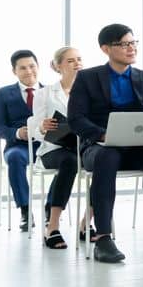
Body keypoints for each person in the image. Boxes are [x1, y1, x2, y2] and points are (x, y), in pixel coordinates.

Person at [67, 24, 143, 263]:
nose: (131, 48)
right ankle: (104, 238)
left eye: (133, 43)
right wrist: (103, 135)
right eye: (124, 44)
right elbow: (76, 119)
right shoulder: (88, 78)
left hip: (140, 146)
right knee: (107, 157)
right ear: (106, 48)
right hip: (101, 145)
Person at [26, 47, 82, 249]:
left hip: (80, 146)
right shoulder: (45, 93)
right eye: (70, 61)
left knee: (101, 159)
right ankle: (53, 226)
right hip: (52, 149)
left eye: (79, 59)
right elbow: (35, 126)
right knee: (70, 161)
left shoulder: (88, 92)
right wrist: (42, 126)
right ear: (58, 66)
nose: (77, 64)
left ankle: (87, 223)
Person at [0, 50, 42, 232]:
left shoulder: (50, 91)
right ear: (14, 71)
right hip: (18, 147)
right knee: (14, 158)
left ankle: (52, 206)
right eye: (23, 68)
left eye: (32, 66)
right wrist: (18, 133)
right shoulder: (3, 94)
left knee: (69, 159)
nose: (29, 71)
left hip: (46, 145)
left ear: (38, 67)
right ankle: (26, 211)